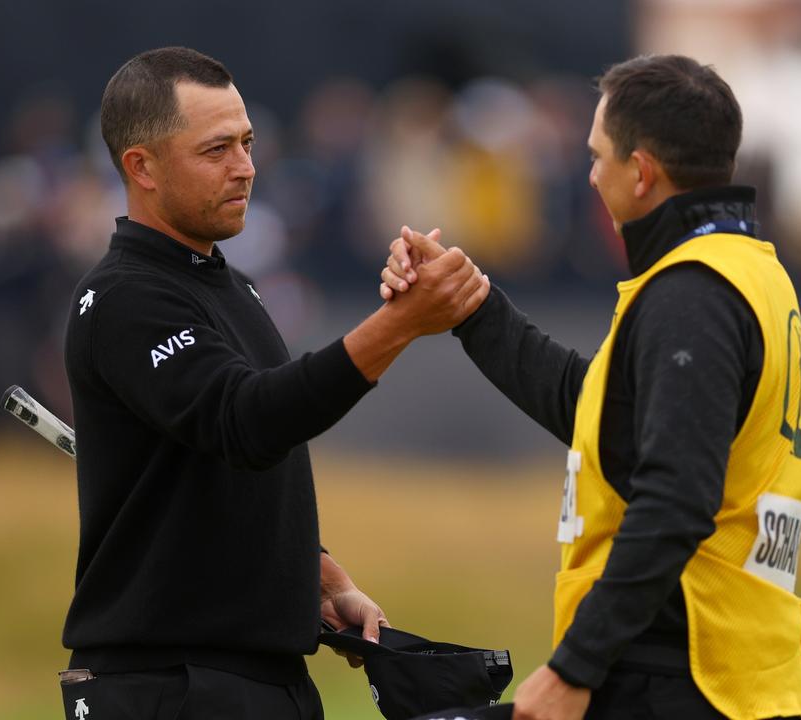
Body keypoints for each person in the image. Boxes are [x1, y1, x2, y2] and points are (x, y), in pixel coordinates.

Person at [381, 55, 801, 720]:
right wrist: (473, 307)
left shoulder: (692, 294)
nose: (590, 175)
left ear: (642, 171)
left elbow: (675, 500)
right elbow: (599, 413)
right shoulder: (747, 273)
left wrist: (574, 666)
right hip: (725, 667)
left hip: (680, 672)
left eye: (598, 157)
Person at [59, 47, 489, 720]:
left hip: (263, 677)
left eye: (248, 142)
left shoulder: (232, 288)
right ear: (140, 166)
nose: (246, 167)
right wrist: (400, 326)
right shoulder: (126, 299)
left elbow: (224, 466)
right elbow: (247, 421)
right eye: (215, 150)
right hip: (170, 687)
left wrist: (309, 572)